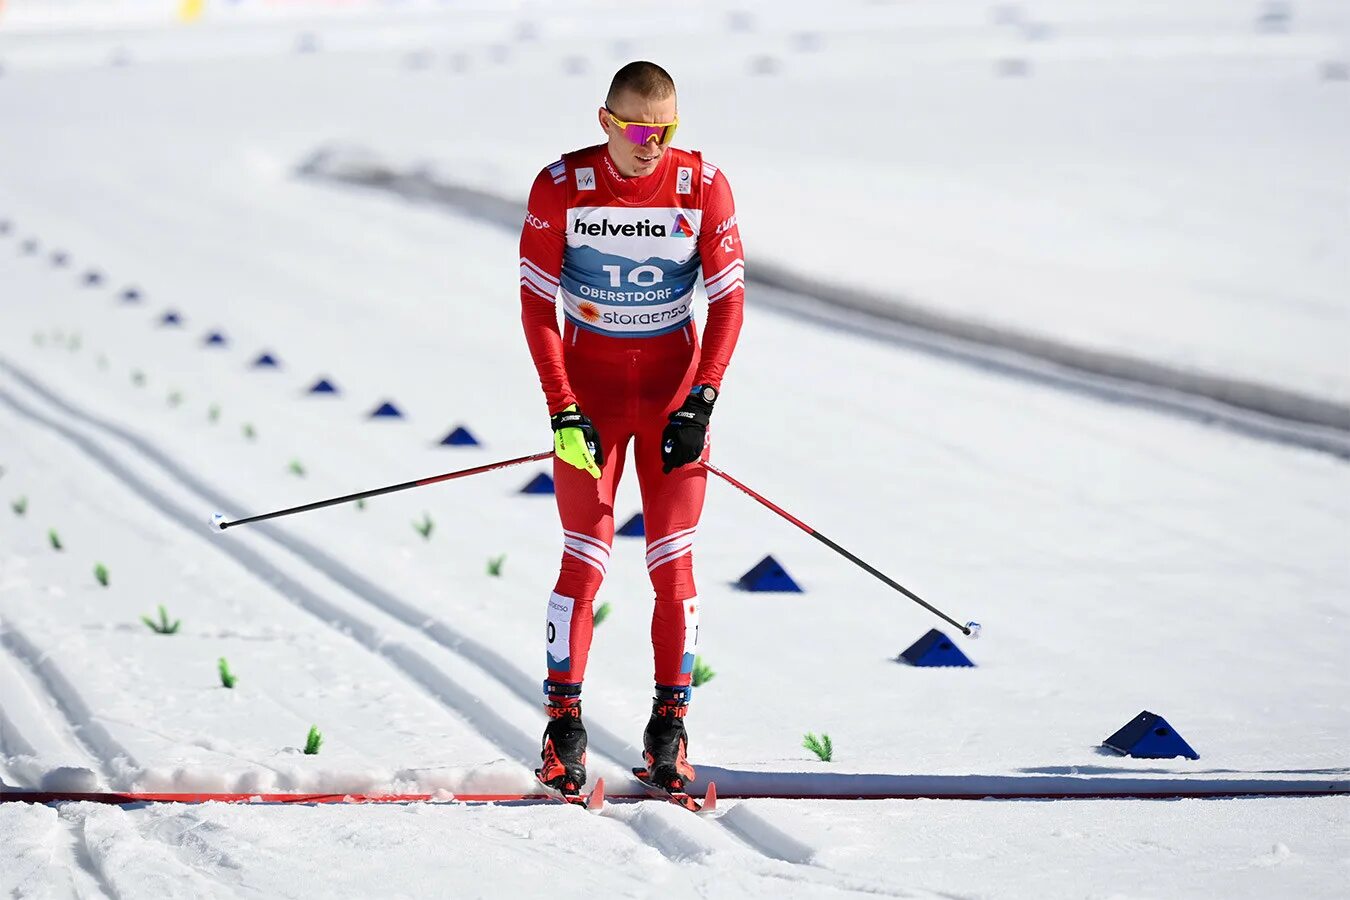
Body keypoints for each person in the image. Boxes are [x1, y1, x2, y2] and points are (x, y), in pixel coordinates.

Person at [519, 60, 745, 797]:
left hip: (672, 399)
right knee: (584, 559)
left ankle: (669, 734)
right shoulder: (561, 189)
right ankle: (563, 732)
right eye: (641, 130)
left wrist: (702, 399)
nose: (654, 145)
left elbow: (729, 303)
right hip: (590, 399)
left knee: (673, 568)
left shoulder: (702, 186)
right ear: (606, 122)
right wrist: (562, 408)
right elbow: (536, 309)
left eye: (668, 128)